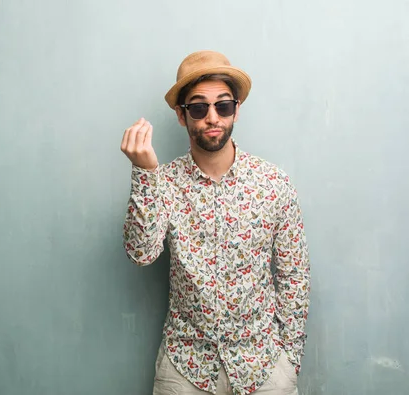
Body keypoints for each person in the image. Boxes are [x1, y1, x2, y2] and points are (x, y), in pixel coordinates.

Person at [120, 51, 311, 395]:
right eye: (198, 107)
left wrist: (289, 360)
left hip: (264, 367)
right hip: (185, 369)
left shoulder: (273, 183)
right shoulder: (163, 183)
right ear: (182, 116)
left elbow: (294, 275)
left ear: (236, 109)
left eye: (223, 106)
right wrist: (145, 173)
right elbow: (141, 254)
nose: (212, 117)